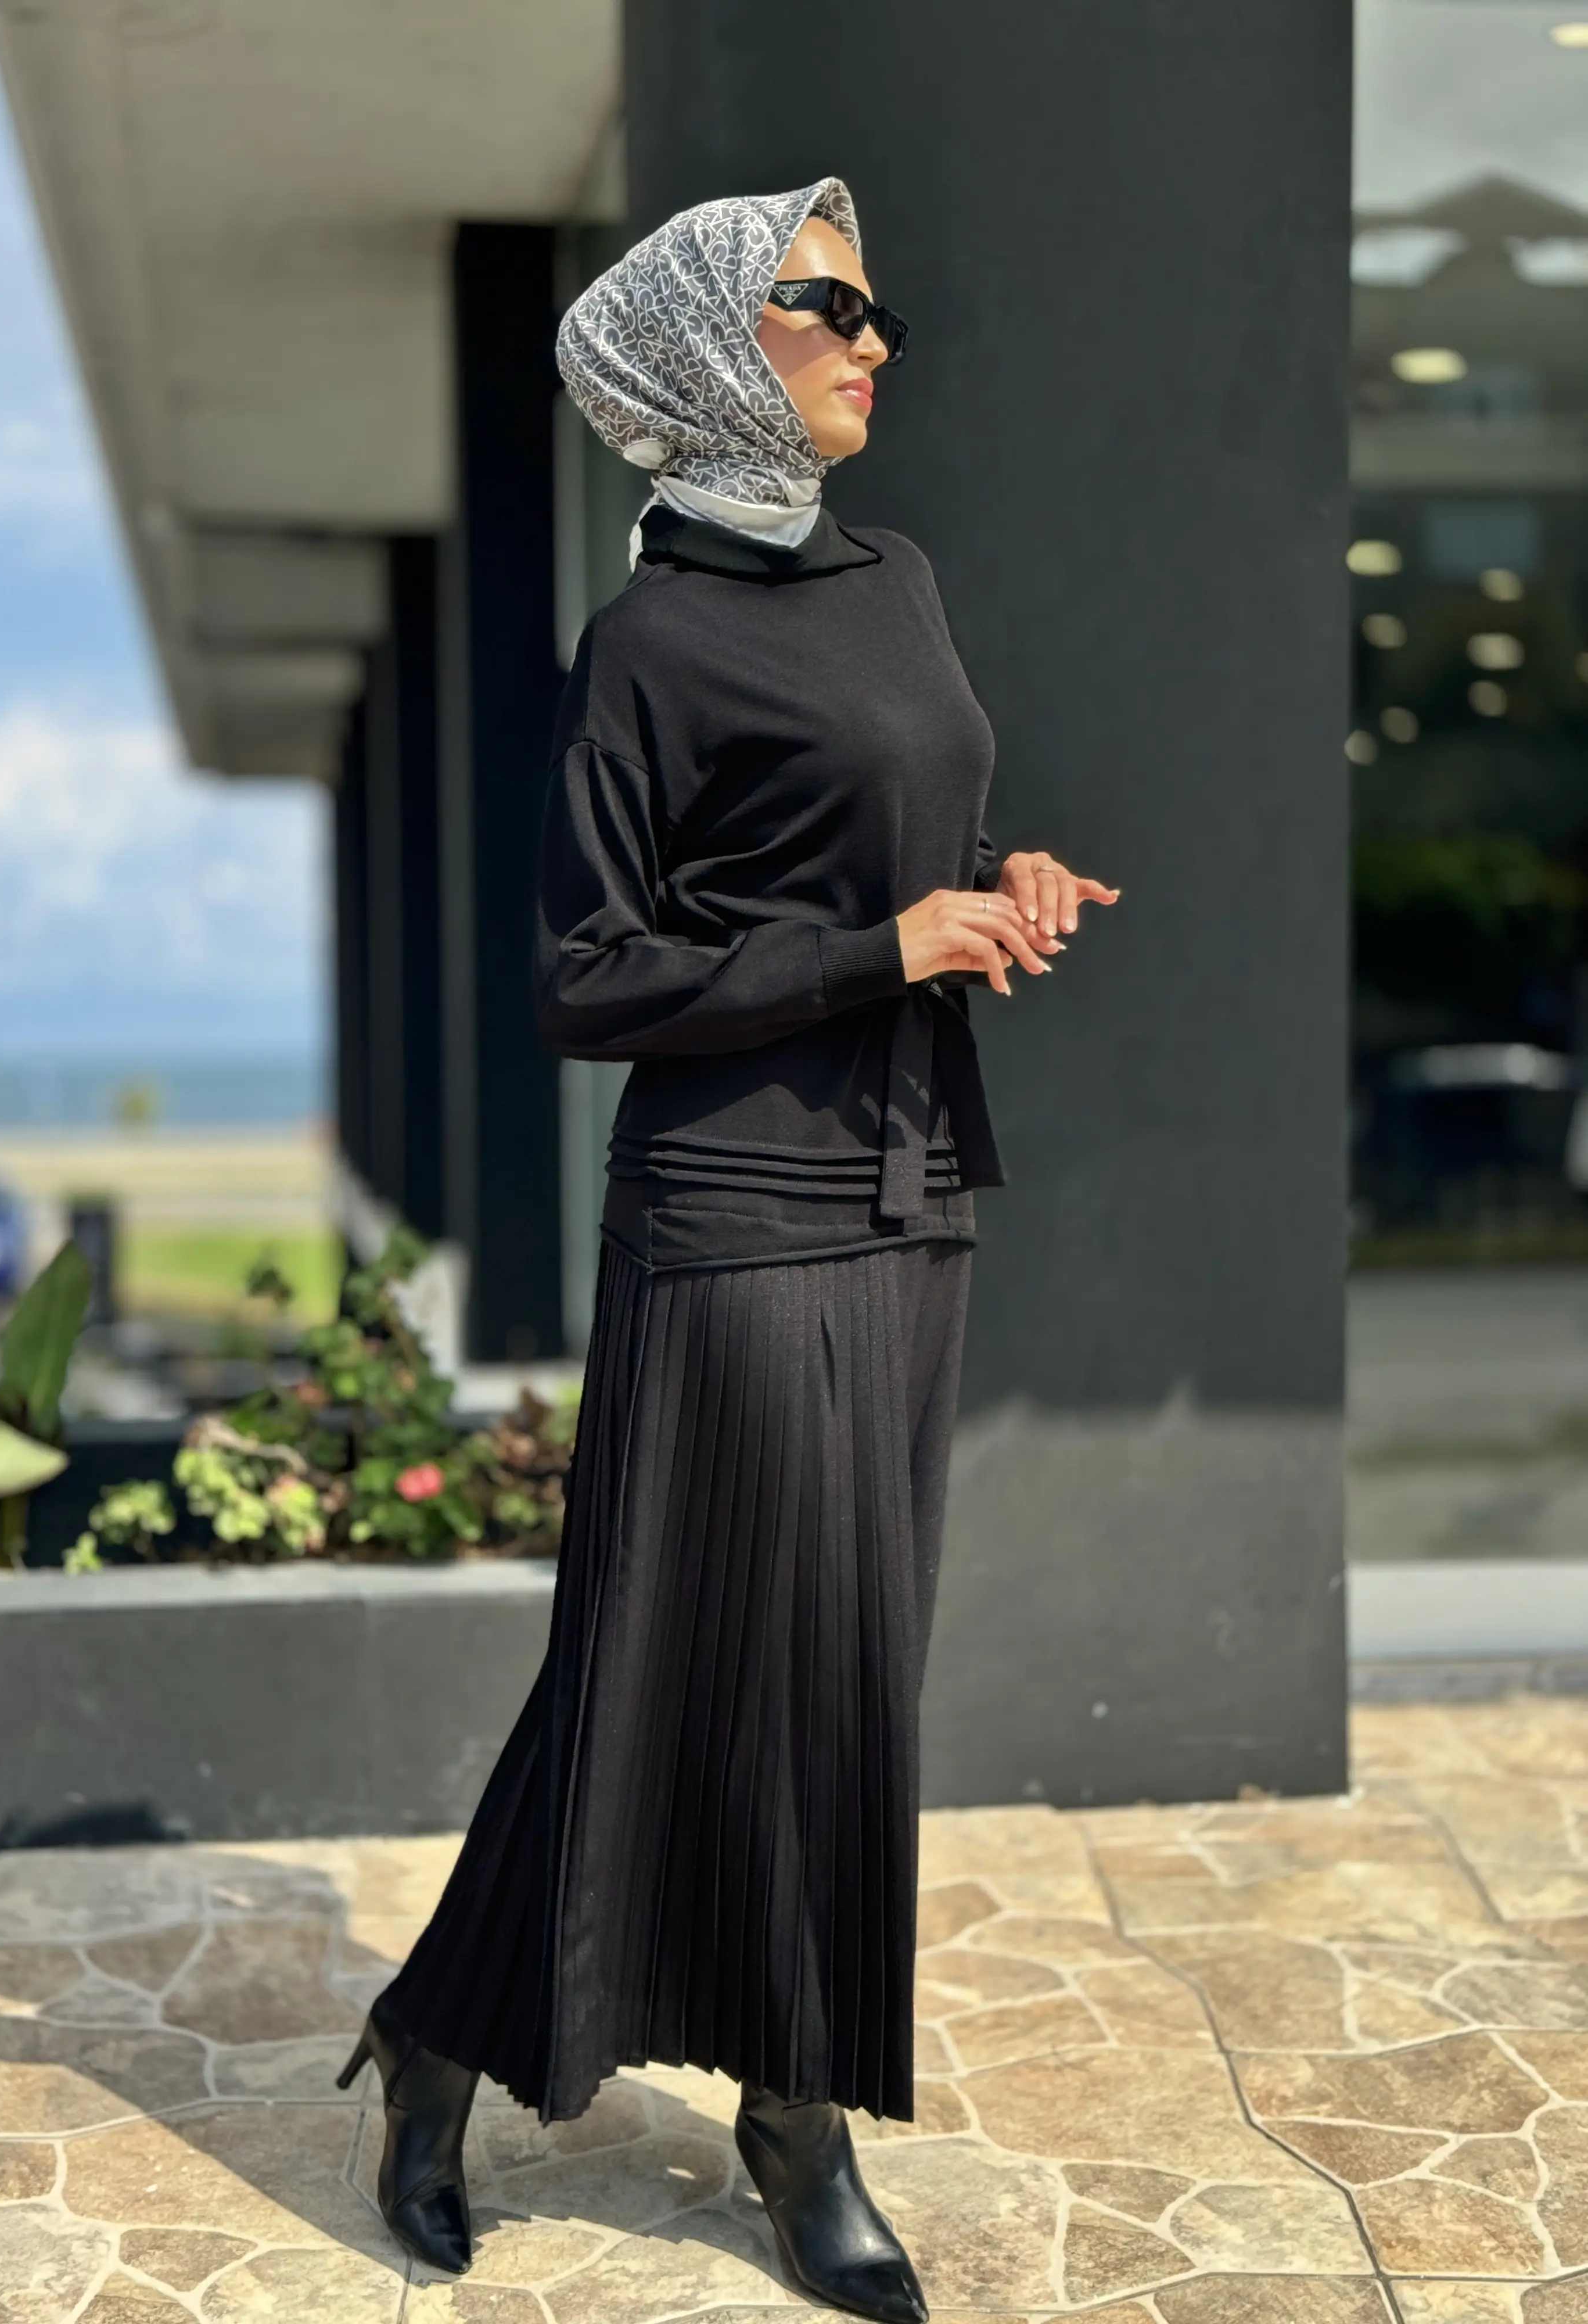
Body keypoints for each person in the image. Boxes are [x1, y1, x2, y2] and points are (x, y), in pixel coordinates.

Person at [339, 177, 1118, 2324]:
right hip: (734, 1213)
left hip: (908, 1185)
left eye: (875, 309)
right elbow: (588, 978)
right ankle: (773, 2115)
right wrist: (885, 943)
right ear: (708, 349)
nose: (874, 339)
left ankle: (534, 2049)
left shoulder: (896, 578)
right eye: (826, 304)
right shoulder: (650, 645)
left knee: (835, 1660)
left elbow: (892, 846)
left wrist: (998, 882)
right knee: (698, 1658)